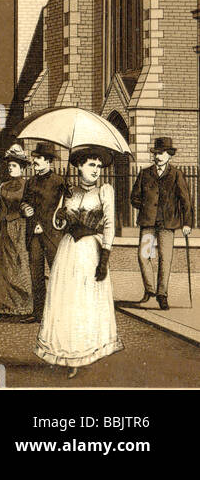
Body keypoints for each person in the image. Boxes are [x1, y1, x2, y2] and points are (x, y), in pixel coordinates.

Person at [36, 146, 124, 378]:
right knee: (67, 300)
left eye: (98, 166)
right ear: (79, 167)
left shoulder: (105, 191)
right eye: (90, 165)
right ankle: (69, 352)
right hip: (68, 251)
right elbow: (57, 225)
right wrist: (61, 215)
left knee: (85, 301)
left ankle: (86, 350)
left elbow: (109, 226)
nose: (96, 170)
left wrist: (104, 257)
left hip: (90, 251)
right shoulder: (70, 192)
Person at [130, 136, 194, 310]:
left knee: (165, 260)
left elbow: (186, 201)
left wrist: (187, 223)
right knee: (144, 256)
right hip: (148, 224)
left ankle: (162, 294)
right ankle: (150, 290)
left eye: (163, 153)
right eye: (157, 153)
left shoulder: (176, 174)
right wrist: (144, 205)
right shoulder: (144, 173)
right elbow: (134, 197)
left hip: (168, 225)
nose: (159, 156)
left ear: (169, 155)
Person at [0, 145, 34, 319]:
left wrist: (25, 211)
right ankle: (2, 306)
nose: (10, 168)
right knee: (1, 267)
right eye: (9, 166)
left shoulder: (27, 186)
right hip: (4, 230)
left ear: (22, 168)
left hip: (20, 228)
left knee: (18, 265)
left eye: (14, 166)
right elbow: (1, 210)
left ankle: (22, 306)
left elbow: (30, 207)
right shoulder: (4, 186)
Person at [23, 142, 64, 321]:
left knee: (57, 274)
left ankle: (58, 312)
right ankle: (38, 313)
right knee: (36, 275)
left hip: (52, 235)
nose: (35, 161)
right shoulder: (30, 181)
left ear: (48, 161)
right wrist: (25, 209)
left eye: (39, 158)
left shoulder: (59, 182)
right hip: (33, 235)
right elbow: (23, 202)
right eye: (35, 158)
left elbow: (66, 209)